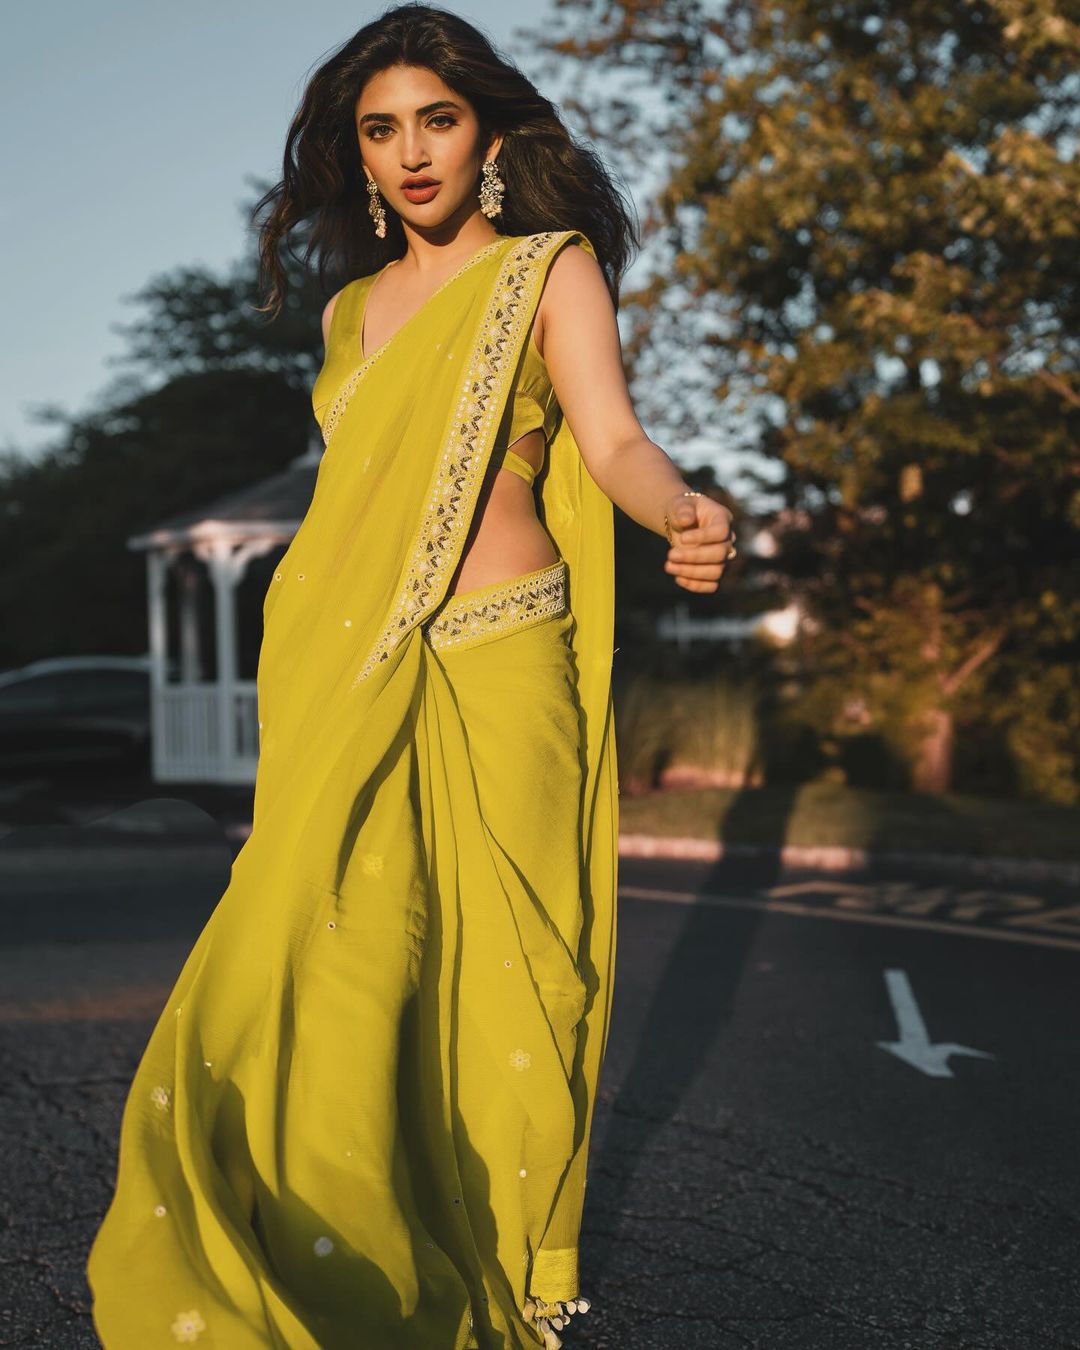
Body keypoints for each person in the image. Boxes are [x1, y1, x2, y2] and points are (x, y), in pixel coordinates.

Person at [85, 4, 736, 1347]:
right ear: (360, 158)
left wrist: (677, 506)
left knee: (524, 970)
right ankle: (329, 1241)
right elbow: (354, 509)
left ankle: (511, 1248)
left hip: (509, 658)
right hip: (347, 664)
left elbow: (612, 439)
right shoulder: (345, 316)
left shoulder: (548, 271)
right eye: (382, 129)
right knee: (324, 955)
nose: (412, 150)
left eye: (436, 118)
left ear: (487, 129)